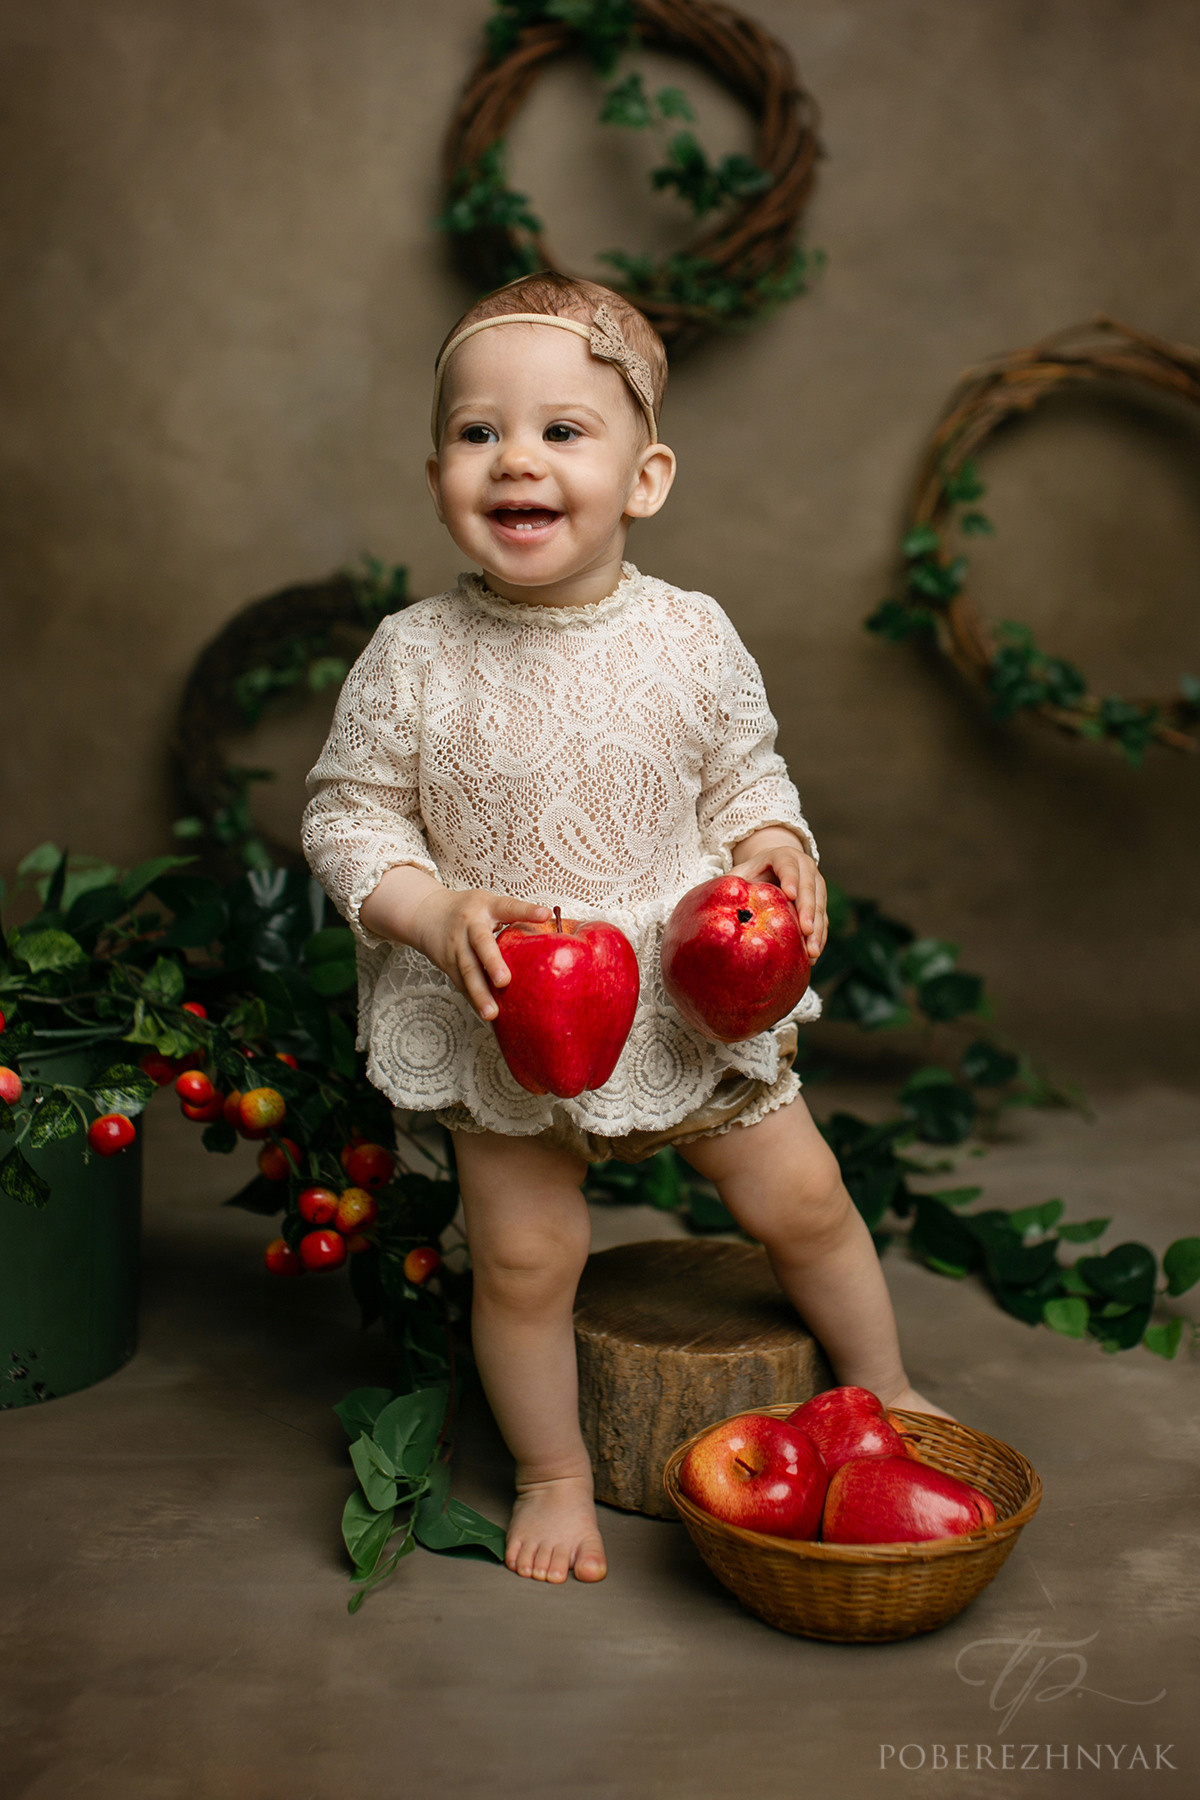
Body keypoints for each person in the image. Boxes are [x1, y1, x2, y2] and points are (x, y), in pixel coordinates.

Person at [302, 272, 948, 1588]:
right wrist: (434, 912)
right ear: (436, 476)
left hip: (681, 996)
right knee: (526, 1258)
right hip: (505, 1009)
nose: (516, 459)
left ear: (644, 479)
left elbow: (746, 777)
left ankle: (885, 1382)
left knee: (805, 1199)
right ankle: (554, 1471)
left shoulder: (690, 637)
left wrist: (773, 842)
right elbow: (346, 818)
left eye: (561, 431)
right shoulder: (413, 654)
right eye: (478, 432)